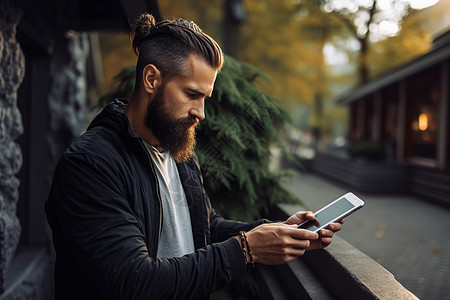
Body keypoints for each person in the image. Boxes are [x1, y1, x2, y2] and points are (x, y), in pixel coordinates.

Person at [45, 13, 343, 300]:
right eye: (191, 94)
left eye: (205, 98)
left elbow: (204, 227)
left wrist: (274, 232)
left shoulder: (179, 150)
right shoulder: (90, 165)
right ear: (151, 79)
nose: (200, 113)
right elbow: (131, 280)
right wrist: (246, 249)